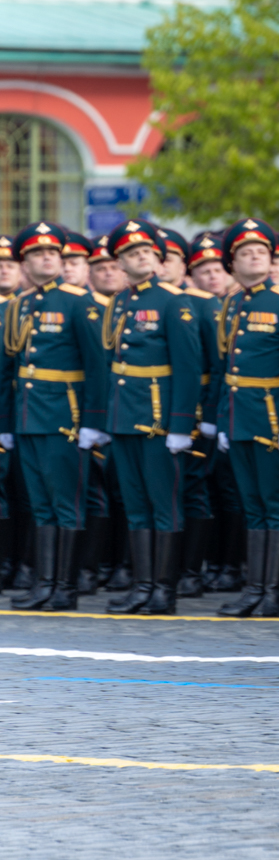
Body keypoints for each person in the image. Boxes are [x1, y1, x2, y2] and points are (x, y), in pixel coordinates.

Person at [213, 220, 279, 618]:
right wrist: (222, 422)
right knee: (252, 505)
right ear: (233, 264)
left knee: (276, 505)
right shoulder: (233, 303)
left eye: (261, 252)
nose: (253, 256)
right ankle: (254, 588)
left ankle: (273, 593)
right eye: (245, 253)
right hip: (240, 420)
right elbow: (228, 368)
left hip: (276, 422)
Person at [94, 219, 202, 616]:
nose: (140, 257)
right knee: (136, 505)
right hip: (125, 418)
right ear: (121, 262)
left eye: (147, 252)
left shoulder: (174, 301)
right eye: (132, 253)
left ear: (157, 259)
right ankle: (143, 586)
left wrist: (180, 425)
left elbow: (188, 368)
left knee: (163, 505)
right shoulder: (121, 302)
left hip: (158, 422)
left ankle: (163, 590)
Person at [2, 221, 109, 610]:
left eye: (52, 253)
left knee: (67, 502)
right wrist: (7, 425)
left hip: (66, 416)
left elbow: (98, 366)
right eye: (36, 254)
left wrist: (94, 421)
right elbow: (10, 370)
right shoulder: (20, 305)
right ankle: (45, 583)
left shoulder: (80, 302)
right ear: (26, 263)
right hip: (28, 417)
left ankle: (65, 586)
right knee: (41, 503)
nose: (45, 258)